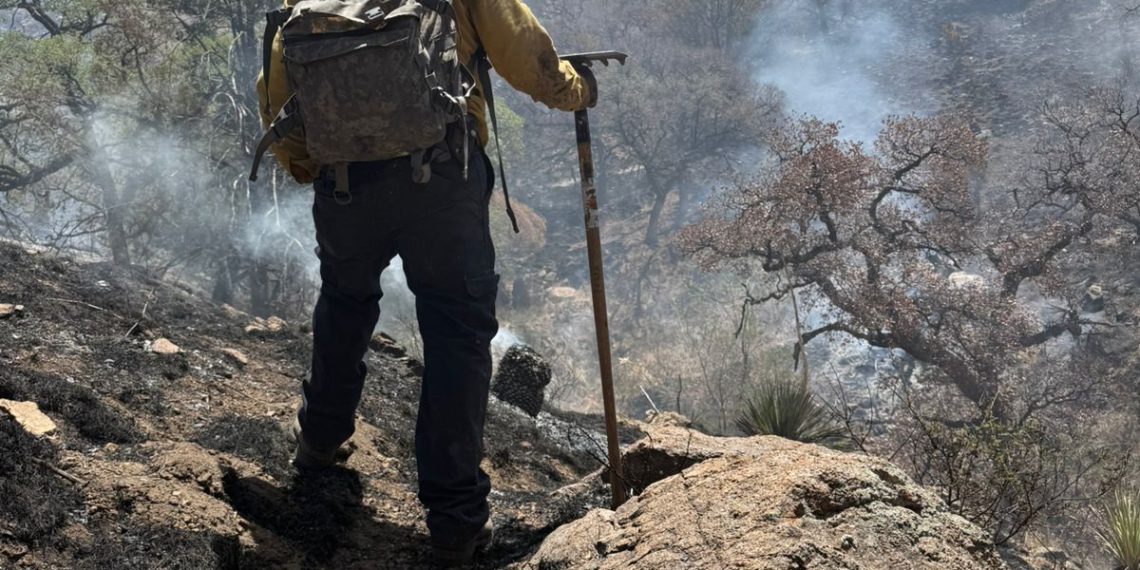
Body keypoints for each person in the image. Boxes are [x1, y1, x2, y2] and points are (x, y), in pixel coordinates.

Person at [257, 0, 596, 566]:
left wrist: (312, 167)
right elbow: (525, 56)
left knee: (344, 303)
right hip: (442, 179)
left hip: (345, 188)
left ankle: (318, 442)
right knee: (456, 337)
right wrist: (575, 90)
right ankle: (454, 524)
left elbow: (277, 93)